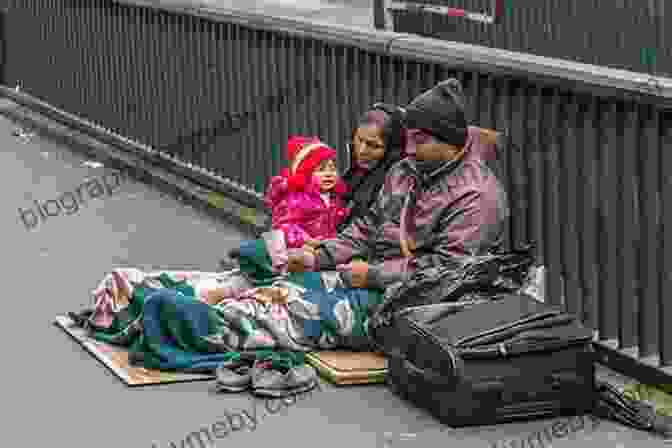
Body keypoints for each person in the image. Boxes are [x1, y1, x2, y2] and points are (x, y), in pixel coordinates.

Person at [287, 78, 510, 293]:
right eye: (408, 138)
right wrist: (320, 257)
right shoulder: (406, 170)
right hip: (375, 275)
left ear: (448, 141)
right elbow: (370, 226)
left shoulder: (477, 196)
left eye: (420, 140)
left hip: (420, 302)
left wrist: (373, 275)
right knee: (278, 291)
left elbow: (451, 270)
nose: (410, 149)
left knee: (292, 313)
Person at [265, 135, 349, 250]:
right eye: (321, 170)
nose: (328, 173)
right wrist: (306, 241)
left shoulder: (334, 197)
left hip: (326, 247)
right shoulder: (297, 198)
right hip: (299, 248)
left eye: (332, 168)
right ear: (306, 174)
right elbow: (284, 226)